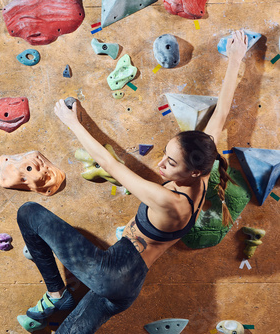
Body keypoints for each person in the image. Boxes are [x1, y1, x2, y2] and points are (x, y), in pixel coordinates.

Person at [16, 30, 249, 333]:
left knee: (28, 213)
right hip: (127, 290)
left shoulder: (169, 201)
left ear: (192, 170)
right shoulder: (204, 169)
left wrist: (73, 123)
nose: (161, 164)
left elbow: (110, 163)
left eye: (170, 163)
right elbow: (221, 114)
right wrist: (235, 60)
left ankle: (56, 294)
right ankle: (57, 302)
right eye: (166, 154)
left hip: (109, 273)